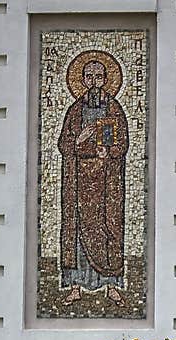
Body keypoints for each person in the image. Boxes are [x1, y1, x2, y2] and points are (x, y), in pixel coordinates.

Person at [58, 55, 130, 308]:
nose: (94, 82)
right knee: (77, 230)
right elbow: (63, 144)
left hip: (106, 182)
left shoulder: (114, 109)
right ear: (82, 79)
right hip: (79, 183)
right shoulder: (75, 110)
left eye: (99, 77)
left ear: (106, 79)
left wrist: (108, 152)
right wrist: (79, 139)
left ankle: (111, 285)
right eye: (89, 77)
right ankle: (76, 286)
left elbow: (122, 144)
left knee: (109, 229)